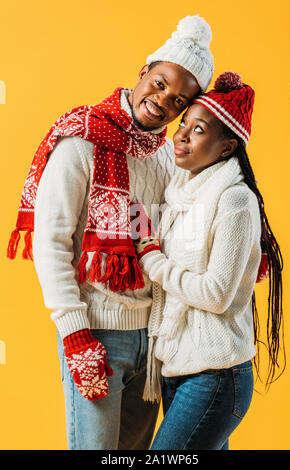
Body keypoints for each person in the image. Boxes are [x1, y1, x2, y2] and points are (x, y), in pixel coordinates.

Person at [6, 15, 214, 450]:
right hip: (97, 333)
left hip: (152, 339)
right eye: (160, 84)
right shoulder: (81, 140)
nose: (162, 101)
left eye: (177, 101)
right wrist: (75, 334)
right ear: (144, 73)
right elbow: (51, 243)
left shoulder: (163, 157)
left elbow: (147, 236)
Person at [135, 71, 285, 450]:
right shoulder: (180, 193)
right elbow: (148, 235)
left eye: (198, 130)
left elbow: (216, 294)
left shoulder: (235, 201)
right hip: (176, 368)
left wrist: (154, 261)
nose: (181, 134)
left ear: (226, 148)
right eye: (183, 123)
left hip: (215, 376)